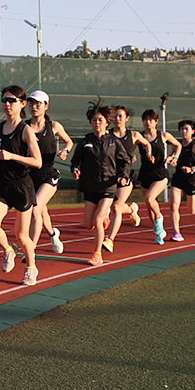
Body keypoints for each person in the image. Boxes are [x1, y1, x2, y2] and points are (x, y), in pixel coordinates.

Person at [0, 85, 42, 285]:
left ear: (22, 104)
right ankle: (9, 249)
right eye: (4, 100)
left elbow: (37, 161)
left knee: (22, 235)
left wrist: (12, 156)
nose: (7, 104)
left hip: (21, 186)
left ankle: (31, 267)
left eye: (12, 100)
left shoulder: (26, 131)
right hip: (1, 186)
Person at [70, 99, 132, 266]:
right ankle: (104, 219)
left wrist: (123, 176)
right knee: (88, 225)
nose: (97, 122)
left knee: (97, 220)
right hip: (90, 187)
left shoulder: (113, 142)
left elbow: (125, 161)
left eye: (100, 120)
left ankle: (97, 254)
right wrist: (75, 169)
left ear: (107, 122)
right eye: (94, 120)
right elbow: (75, 161)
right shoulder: (85, 142)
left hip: (108, 186)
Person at [24, 90, 73, 255]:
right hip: (29, 176)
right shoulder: (24, 127)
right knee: (42, 211)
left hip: (48, 175)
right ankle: (53, 234)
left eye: (38, 103)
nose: (34, 106)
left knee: (35, 209)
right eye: (31, 103)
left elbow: (68, 141)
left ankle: (31, 249)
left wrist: (65, 151)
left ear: (46, 106)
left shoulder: (54, 126)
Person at [103, 105, 154, 253]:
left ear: (126, 118)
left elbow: (147, 143)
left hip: (125, 175)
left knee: (116, 207)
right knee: (110, 206)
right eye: (115, 116)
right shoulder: (106, 134)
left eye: (120, 116)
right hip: (108, 175)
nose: (117, 119)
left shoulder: (134, 135)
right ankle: (132, 209)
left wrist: (148, 154)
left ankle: (110, 240)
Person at [136, 109, 182, 245]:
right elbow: (129, 150)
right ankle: (159, 232)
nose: (147, 122)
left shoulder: (163, 135)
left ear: (156, 121)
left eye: (150, 120)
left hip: (160, 173)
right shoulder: (140, 137)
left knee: (150, 198)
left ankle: (159, 218)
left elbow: (178, 145)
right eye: (145, 120)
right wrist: (130, 157)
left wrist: (174, 157)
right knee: (149, 206)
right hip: (145, 173)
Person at [168, 119, 195, 242]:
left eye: (186, 129)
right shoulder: (177, 145)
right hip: (178, 178)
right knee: (174, 206)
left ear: (193, 131)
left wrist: (192, 169)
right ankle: (176, 232)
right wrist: (171, 160)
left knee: (191, 210)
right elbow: (173, 156)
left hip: (191, 179)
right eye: (182, 129)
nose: (183, 131)